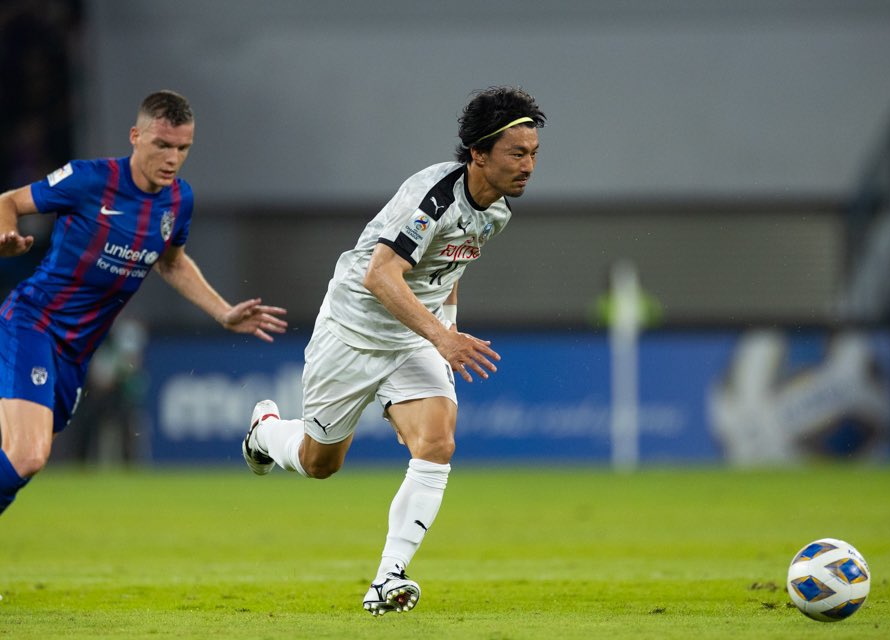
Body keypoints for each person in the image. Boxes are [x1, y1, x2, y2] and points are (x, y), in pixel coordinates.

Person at [242, 86, 545, 616]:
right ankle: (265, 433)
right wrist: (443, 337)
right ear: (479, 153)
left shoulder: (496, 212)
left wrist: (446, 328)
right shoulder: (432, 198)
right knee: (319, 463)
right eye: (517, 153)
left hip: (411, 336)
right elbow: (380, 275)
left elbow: (448, 269)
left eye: (534, 154)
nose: (528, 166)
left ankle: (388, 578)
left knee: (437, 443)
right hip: (353, 332)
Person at [0, 90, 288, 515]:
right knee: (28, 455)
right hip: (34, 323)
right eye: (162, 145)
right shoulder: (89, 179)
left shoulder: (179, 200)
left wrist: (223, 312)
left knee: (18, 460)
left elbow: (172, 262)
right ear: (136, 136)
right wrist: (4, 234)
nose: (172, 158)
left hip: (77, 351)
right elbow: (8, 201)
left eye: (183, 148)